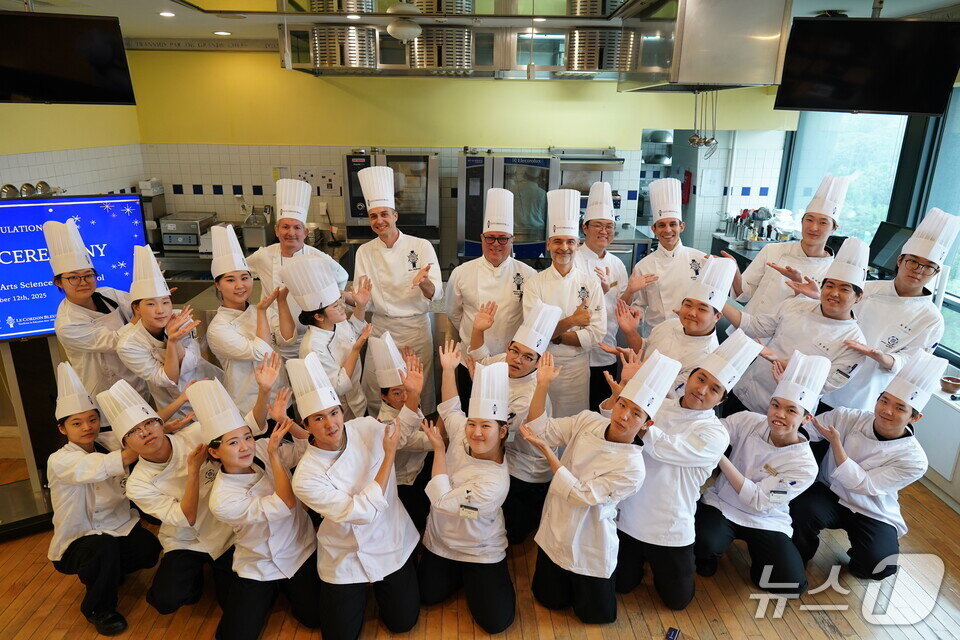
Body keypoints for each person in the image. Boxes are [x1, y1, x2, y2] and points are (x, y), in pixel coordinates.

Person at [520, 350, 679, 623]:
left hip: (590, 537)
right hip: (556, 525)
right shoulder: (588, 420)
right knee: (549, 600)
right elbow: (540, 428)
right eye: (622, 405)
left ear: (647, 423)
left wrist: (549, 453)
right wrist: (542, 384)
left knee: (596, 616)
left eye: (636, 413)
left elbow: (582, 494)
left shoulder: (633, 468)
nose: (624, 416)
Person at [613, 329, 760, 610]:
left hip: (669, 526)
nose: (701, 390)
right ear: (689, 376)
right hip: (628, 516)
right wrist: (630, 391)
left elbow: (666, 448)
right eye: (700, 378)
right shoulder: (658, 408)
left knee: (677, 601)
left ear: (721, 400)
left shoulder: (715, 433)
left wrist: (638, 411)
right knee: (621, 585)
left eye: (714, 388)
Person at [289, 353, 422, 640]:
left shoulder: (364, 427)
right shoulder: (306, 477)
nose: (330, 424)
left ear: (342, 412)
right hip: (345, 552)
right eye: (319, 418)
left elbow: (403, 430)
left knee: (403, 623)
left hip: (390, 537)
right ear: (306, 424)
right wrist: (388, 458)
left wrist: (413, 395)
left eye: (334, 413)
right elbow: (361, 513)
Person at [791, 351, 945, 581]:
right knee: (802, 509)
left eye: (900, 408)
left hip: (870, 507)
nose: (887, 410)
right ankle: (797, 555)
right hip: (829, 493)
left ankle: (863, 550)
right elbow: (806, 431)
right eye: (884, 400)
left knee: (878, 566)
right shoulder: (847, 416)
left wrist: (836, 443)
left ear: (915, 417)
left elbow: (863, 484)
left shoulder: (915, 460)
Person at [198, 380, 324, 640]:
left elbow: (308, 447)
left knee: (314, 617)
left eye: (247, 437)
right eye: (233, 443)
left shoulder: (262, 449)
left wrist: (287, 419)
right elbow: (285, 502)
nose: (245, 446)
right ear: (215, 451)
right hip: (259, 562)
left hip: (300, 547)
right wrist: (275, 456)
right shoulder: (222, 499)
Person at [695, 350, 826, 595]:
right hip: (723, 503)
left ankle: (759, 555)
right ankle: (708, 555)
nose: (779, 414)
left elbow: (759, 500)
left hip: (766, 518)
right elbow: (711, 431)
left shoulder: (805, 465)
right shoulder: (748, 420)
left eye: (791, 411)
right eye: (775, 405)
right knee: (703, 546)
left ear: (806, 418)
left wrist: (719, 456)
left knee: (789, 585)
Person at [47, 362, 162, 636]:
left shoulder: (108, 441)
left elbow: (137, 427)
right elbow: (109, 463)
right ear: (63, 429)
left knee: (148, 550)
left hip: (119, 526)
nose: (87, 427)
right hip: (79, 539)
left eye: (92, 419)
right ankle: (98, 608)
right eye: (76, 423)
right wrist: (148, 439)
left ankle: (108, 572)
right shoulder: (60, 460)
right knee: (103, 549)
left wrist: (161, 421)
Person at [819, 207, 959, 411]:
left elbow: (912, 362)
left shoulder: (931, 319)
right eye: (913, 261)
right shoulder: (866, 288)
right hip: (826, 374)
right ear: (900, 260)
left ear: (936, 272)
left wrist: (880, 355)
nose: (918, 271)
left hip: (864, 393)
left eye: (928, 266)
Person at [419, 347, 515, 634]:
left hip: (480, 549)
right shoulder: (464, 432)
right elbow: (450, 408)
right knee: (426, 596)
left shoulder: (495, 483)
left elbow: (443, 502)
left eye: (486, 426)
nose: (475, 432)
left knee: (496, 623)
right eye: (473, 424)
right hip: (441, 541)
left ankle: (480, 577)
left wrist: (439, 449)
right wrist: (448, 369)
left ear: (502, 431)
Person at [721, 237, 869, 416]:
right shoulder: (796, 304)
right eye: (829, 285)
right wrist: (716, 298)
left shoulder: (855, 343)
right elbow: (754, 326)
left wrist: (776, 359)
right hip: (745, 393)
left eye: (844, 289)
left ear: (858, 296)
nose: (834, 293)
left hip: (786, 415)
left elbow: (826, 383)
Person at [467, 300, 562, 545]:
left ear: (538, 362)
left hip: (527, 469)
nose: (517, 360)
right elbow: (481, 361)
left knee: (512, 535)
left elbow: (500, 436)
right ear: (508, 347)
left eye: (528, 357)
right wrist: (478, 330)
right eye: (515, 351)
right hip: (502, 452)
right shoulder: (503, 361)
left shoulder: (531, 393)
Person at [355, 165, 443, 415]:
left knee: (419, 390)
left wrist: (423, 281)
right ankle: (380, 437)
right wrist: (348, 299)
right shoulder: (365, 251)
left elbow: (436, 294)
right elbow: (365, 298)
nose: (379, 221)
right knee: (378, 389)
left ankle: (423, 440)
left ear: (395, 215)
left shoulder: (421, 245)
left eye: (384, 214)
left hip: (415, 329)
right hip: (382, 330)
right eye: (373, 216)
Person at [445, 187, 536, 403]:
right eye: (490, 238)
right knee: (472, 412)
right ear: (482, 238)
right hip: (472, 362)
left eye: (502, 239)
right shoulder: (462, 272)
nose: (496, 244)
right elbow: (453, 312)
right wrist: (472, 334)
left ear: (512, 240)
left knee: (505, 417)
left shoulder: (528, 274)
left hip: (511, 363)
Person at [522, 188, 606, 418]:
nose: (564, 247)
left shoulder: (591, 284)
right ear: (548, 244)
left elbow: (597, 333)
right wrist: (573, 321)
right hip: (539, 366)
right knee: (539, 422)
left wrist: (555, 335)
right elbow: (532, 332)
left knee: (572, 424)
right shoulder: (534, 284)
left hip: (577, 369)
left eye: (570, 241)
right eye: (557, 241)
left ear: (578, 245)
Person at [723, 173, 856, 315]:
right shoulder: (773, 251)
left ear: (834, 228)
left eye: (823, 222)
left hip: (792, 336)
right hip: (750, 328)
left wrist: (809, 292)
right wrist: (734, 271)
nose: (813, 227)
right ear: (802, 221)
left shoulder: (834, 271)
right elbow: (744, 293)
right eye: (809, 220)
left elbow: (826, 315)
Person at [45, 219, 147, 402]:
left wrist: (151, 297)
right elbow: (115, 342)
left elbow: (138, 304)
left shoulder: (109, 295)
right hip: (104, 394)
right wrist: (143, 310)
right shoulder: (67, 324)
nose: (83, 282)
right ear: (58, 282)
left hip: (137, 383)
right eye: (73, 278)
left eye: (88, 275)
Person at [246, 178, 349, 359]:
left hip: (312, 337)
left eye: (297, 227)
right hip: (274, 338)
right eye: (285, 227)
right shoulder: (263, 256)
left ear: (305, 232)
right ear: (277, 230)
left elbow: (342, 276)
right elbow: (241, 271)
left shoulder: (318, 257)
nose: (291, 233)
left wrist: (329, 303)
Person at [116, 245, 223, 416]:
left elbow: (191, 361)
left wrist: (174, 337)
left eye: (165, 302)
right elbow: (168, 379)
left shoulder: (180, 318)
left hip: (211, 386)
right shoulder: (128, 345)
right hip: (175, 407)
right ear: (137, 308)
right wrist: (173, 340)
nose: (161, 310)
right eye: (151, 304)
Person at [206, 224, 291, 414]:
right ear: (217, 285)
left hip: (282, 400)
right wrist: (261, 313)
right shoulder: (218, 329)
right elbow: (261, 353)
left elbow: (287, 338)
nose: (240, 285)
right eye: (230, 280)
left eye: (245, 277)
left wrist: (283, 302)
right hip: (249, 408)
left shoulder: (260, 309)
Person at [624, 256, 737, 393]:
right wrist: (630, 331)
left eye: (702, 309)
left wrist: (636, 374)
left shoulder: (707, 358)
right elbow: (643, 349)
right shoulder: (669, 324)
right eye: (688, 305)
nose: (692, 313)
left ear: (717, 316)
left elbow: (671, 394)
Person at [281, 254, 373, 419]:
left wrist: (361, 305)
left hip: (357, 399)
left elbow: (354, 330)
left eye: (341, 301)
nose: (343, 306)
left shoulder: (337, 322)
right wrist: (356, 350)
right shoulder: (312, 347)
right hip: (336, 411)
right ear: (318, 316)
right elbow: (339, 386)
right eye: (336, 305)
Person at [368, 332, 434, 530]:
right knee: (413, 524)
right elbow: (427, 441)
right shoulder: (386, 423)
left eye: (407, 390)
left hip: (421, 465)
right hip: (405, 481)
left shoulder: (405, 402)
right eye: (397, 393)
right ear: (383, 396)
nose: (405, 397)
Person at [622, 177, 703, 334]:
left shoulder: (700, 259)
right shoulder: (643, 266)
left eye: (673, 224)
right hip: (657, 335)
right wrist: (636, 312)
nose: (667, 230)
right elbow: (638, 305)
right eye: (661, 225)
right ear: (654, 229)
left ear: (682, 226)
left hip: (693, 335)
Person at [574, 182, 630, 410]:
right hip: (576, 350)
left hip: (607, 348)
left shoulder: (617, 263)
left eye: (609, 226)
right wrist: (600, 291)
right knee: (575, 410)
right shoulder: (573, 259)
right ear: (585, 228)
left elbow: (623, 305)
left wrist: (631, 290)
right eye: (597, 225)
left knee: (602, 408)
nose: (603, 231)